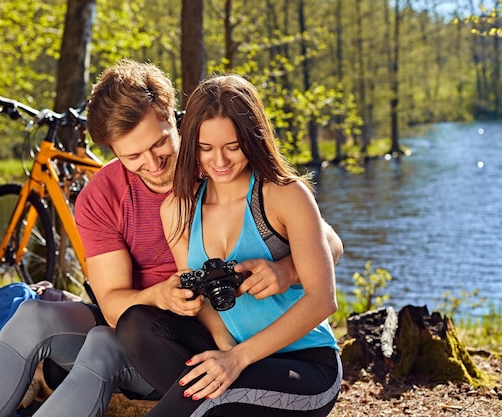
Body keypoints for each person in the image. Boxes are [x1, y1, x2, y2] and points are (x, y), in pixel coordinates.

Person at [0, 60, 342, 417]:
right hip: (154, 330)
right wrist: (162, 297)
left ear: (175, 119)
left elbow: (326, 244)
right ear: (112, 151)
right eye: (132, 156)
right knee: (51, 320)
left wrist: (286, 271)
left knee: (120, 350)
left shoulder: (214, 157)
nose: (152, 165)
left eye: (159, 145)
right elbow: (116, 305)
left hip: (230, 336)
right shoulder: (113, 197)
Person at [116, 74, 342, 417]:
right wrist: (224, 348)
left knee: (211, 398)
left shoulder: (284, 194)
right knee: (136, 325)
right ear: (192, 144)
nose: (219, 161)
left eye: (232, 147)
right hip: (234, 351)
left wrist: (238, 360)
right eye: (206, 149)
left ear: (253, 139)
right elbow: (202, 298)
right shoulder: (178, 208)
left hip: (305, 365)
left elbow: (322, 299)